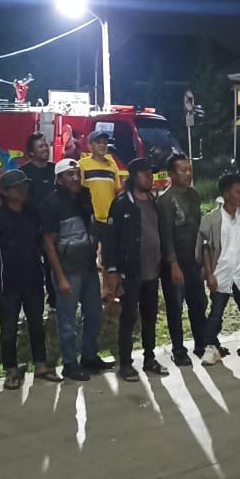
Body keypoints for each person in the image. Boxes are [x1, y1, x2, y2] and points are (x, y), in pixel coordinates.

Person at [0, 169, 62, 389]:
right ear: (6, 192)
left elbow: (42, 242)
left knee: (37, 324)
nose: (24, 190)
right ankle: (11, 370)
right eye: (18, 187)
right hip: (8, 281)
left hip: (33, 278)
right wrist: (6, 259)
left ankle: (41, 365)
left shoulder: (33, 213)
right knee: (8, 328)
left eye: (25, 186)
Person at [42, 159, 113, 381]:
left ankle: (89, 357)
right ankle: (70, 364)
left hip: (88, 267)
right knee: (67, 321)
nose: (75, 178)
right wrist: (60, 277)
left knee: (94, 314)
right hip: (68, 270)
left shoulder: (84, 196)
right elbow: (48, 243)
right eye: (69, 174)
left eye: (77, 173)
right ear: (59, 178)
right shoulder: (52, 203)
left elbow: (91, 227)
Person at [104, 158, 169, 382]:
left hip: (152, 271)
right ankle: (126, 363)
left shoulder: (153, 202)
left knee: (150, 317)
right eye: (145, 174)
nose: (150, 178)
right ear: (133, 177)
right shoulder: (122, 203)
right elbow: (110, 240)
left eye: (151, 174)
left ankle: (150, 358)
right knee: (129, 318)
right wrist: (113, 272)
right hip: (130, 273)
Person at [197, 173, 240, 367]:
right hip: (221, 273)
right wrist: (209, 274)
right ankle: (211, 348)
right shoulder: (212, 219)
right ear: (226, 194)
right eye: (238, 192)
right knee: (216, 314)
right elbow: (205, 249)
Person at [157, 152, 211, 366]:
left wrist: (203, 258)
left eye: (189, 169)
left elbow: (198, 228)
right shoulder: (165, 200)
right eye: (183, 170)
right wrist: (173, 264)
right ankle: (178, 349)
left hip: (193, 259)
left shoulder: (193, 194)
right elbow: (166, 235)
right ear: (172, 174)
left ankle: (201, 343)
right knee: (175, 307)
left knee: (198, 302)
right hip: (175, 261)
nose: (188, 174)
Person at [20, 132, 58, 310]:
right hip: (31, 228)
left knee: (54, 264)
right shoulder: (23, 173)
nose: (45, 149)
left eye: (46, 145)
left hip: (53, 227)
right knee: (32, 265)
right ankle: (32, 304)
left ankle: (54, 300)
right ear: (31, 152)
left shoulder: (55, 170)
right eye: (40, 146)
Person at [77, 129, 122, 249]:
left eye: (105, 143)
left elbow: (117, 190)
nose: (102, 145)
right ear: (90, 145)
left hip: (109, 219)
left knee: (110, 254)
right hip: (91, 219)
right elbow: (79, 191)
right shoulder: (82, 164)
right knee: (90, 253)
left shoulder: (112, 164)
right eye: (98, 142)